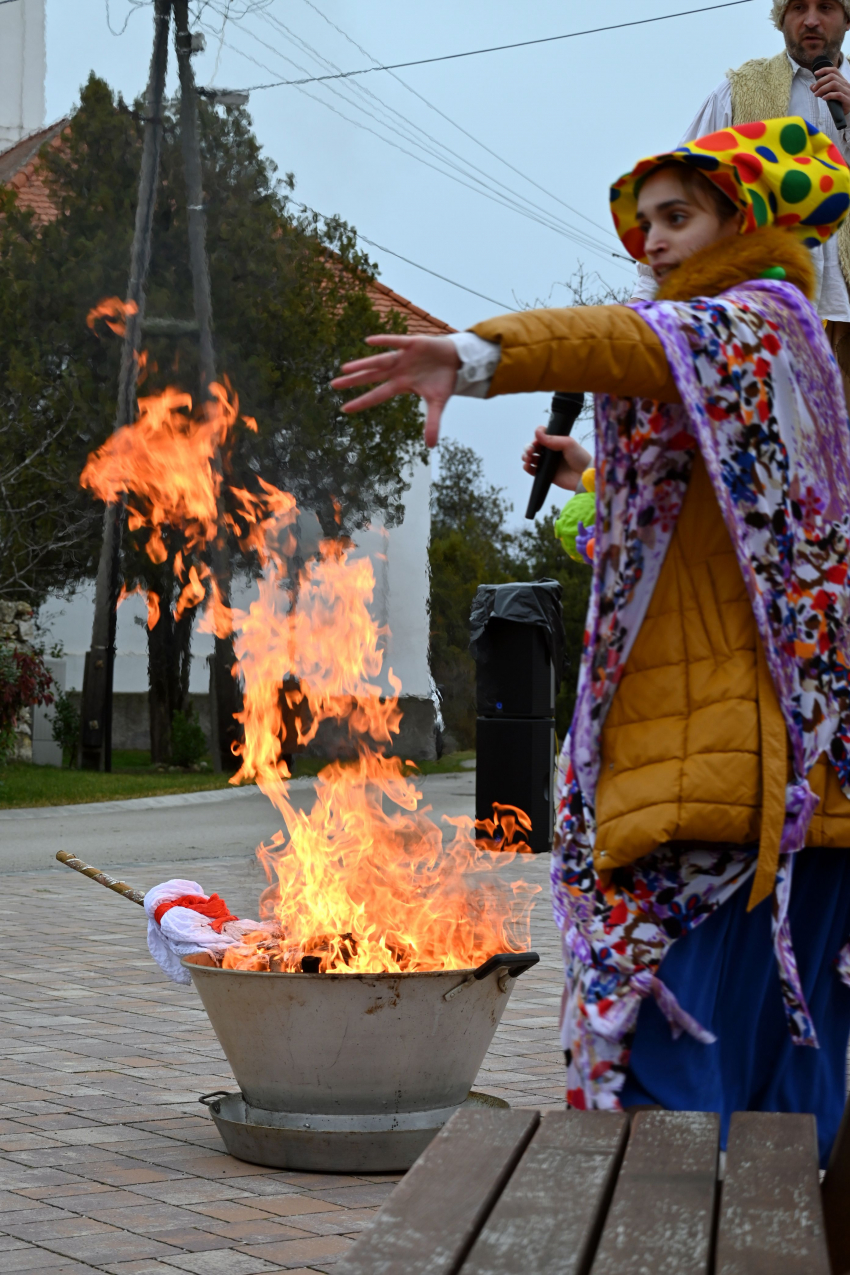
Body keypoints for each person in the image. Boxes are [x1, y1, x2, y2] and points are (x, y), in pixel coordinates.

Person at [332, 118, 850, 1165]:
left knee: (670, 1101)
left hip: (722, 802)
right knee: (771, 1100)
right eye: (644, 223)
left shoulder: (742, 325)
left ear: (738, 222)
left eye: (677, 217)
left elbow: (625, 341)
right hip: (771, 795)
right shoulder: (769, 366)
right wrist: (585, 479)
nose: (651, 243)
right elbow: (706, 534)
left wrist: (478, 357)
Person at [633, 0, 850, 395]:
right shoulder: (740, 92)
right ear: (781, 17)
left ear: (848, 17)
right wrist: (647, 301)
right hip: (756, 320)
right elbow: (680, 196)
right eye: (799, 6)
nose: (812, 19)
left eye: (827, 6)